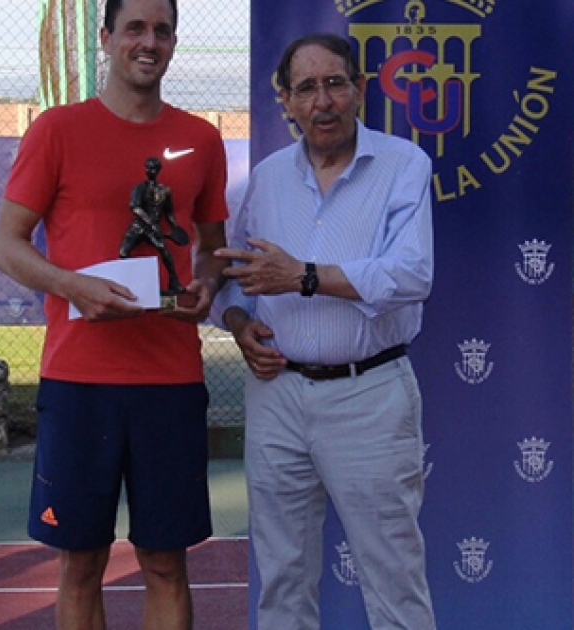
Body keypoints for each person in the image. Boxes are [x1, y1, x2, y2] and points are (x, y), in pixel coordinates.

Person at [0, 0, 229, 626]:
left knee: (164, 563)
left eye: (162, 30)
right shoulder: (56, 130)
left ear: (174, 42)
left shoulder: (202, 139)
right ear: (106, 38)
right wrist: (73, 286)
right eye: (135, 29)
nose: (149, 42)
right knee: (81, 564)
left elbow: (212, 249)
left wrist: (206, 284)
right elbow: (6, 246)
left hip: (170, 384)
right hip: (78, 384)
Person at [211, 34, 436, 629]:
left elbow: (411, 274)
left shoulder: (404, 165)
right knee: (281, 580)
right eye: (305, 88)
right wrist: (236, 323)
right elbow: (236, 279)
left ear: (361, 90)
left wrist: (303, 276)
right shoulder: (265, 178)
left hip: (369, 395)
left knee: (394, 578)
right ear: (285, 101)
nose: (322, 100)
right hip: (277, 395)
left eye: (335, 83)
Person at [120, 157, 189, 295]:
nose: (150, 171)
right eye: (148, 168)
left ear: (158, 170)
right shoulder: (139, 188)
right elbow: (135, 208)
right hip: (138, 227)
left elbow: (168, 212)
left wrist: (174, 227)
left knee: (165, 252)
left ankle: (174, 282)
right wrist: (151, 223)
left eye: (153, 168)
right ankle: (129, 283)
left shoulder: (165, 191)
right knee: (123, 252)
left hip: (153, 230)